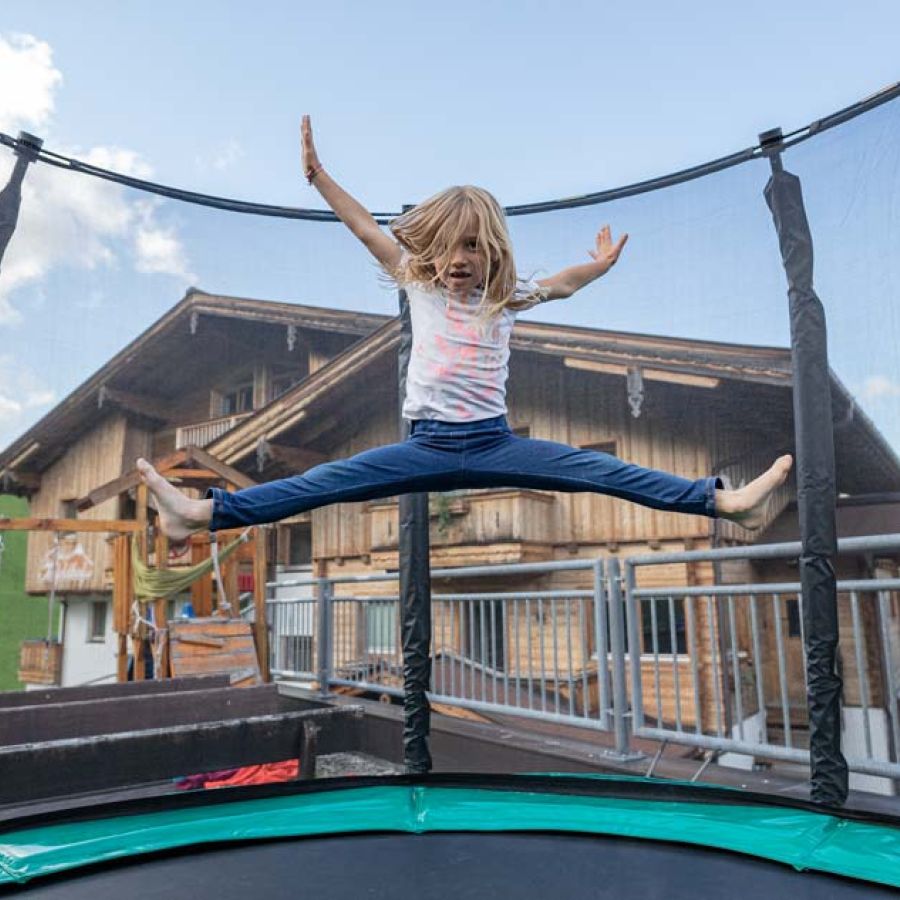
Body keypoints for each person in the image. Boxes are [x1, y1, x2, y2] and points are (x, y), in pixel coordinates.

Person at [137, 115, 792, 541]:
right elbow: (365, 228)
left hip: (494, 443)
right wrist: (318, 177)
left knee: (601, 469)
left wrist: (597, 266)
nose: (458, 260)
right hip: (424, 446)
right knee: (324, 482)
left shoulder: (503, 298)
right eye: (448, 248)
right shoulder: (417, 282)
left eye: (472, 247)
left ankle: (725, 503)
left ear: (490, 252)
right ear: (431, 252)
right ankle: (199, 513)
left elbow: (562, 284)